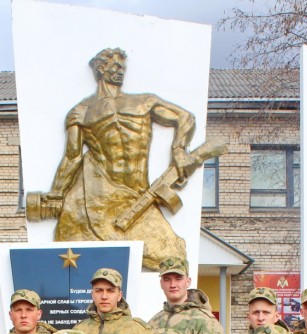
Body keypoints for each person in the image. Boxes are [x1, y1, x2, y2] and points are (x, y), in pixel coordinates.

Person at [38, 47, 197, 269]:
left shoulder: (144, 102)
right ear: (101, 69)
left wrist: (179, 149)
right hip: (100, 197)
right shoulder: (81, 112)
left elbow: (185, 117)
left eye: (123, 68)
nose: (121, 72)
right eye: (115, 67)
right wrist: (56, 194)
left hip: (139, 196)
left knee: (173, 260)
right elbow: (72, 157)